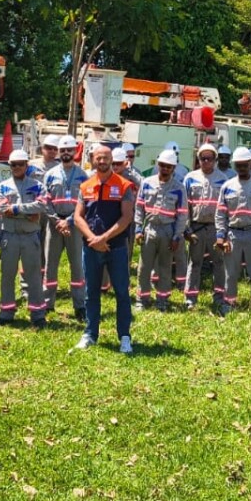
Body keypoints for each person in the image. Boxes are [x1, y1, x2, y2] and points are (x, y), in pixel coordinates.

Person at [73, 145, 137, 352]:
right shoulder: (85, 186)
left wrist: (104, 238)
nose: (102, 161)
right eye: (98, 158)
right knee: (91, 292)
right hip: (91, 248)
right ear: (92, 159)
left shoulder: (124, 186)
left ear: (112, 160)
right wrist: (93, 238)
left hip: (116, 248)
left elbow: (127, 217)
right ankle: (90, 334)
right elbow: (78, 217)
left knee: (121, 292)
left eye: (106, 158)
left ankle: (124, 336)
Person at [0, 150, 47, 328]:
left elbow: (42, 205)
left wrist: (16, 209)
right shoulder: (2, 187)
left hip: (30, 236)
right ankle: (6, 312)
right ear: (9, 166)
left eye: (20, 164)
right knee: (7, 275)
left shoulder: (38, 186)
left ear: (27, 165)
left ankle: (38, 314)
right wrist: (29, 213)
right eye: (13, 164)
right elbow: (1, 209)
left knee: (34, 276)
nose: (17, 167)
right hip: (9, 236)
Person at [216, 147, 251, 314]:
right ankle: (229, 303)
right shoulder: (227, 186)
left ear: (250, 163)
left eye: (244, 165)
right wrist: (220, 236)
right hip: (233, 234)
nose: (242, 168)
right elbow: (221, 213)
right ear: (235, 165)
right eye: (238, 165)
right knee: (231, 273)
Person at [42, 135, 90, 321]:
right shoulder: (50, 174)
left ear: (75, 151)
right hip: (54, 225)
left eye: (69, 150)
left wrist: (68, 221)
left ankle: (79, 306)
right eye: (63, 150)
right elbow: (45, 201)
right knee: (50, 266)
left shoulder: (83, 175)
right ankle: (48, 304)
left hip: (74, 225)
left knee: (77, 266)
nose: (66, 153)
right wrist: (57, 221)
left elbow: (85, 203)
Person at [134, 149, 187, 312]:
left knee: (165, 267)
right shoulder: (147, 183)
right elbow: (139, 207)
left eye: (168, 167)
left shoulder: (179, 188)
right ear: (158, 164)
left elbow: (182, 214)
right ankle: (142, 299)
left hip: (168, 231)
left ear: (174, 168)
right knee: (144, 267)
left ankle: (162, 300)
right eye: (162, 165)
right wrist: (138, 228)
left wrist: (177, 236)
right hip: (149, 229)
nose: (165, 169)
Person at [184, 143, 231, 310]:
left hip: (215, 229)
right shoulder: (190, 178)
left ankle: (219, 297)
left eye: (209, 159)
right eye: (203, 158)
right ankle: (190, 299)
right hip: (196, 228)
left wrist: (224, 232)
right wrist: (187, 229)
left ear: (215, 160)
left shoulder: (223, 180)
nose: (206, 161)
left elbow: (226, 208)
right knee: (194, 263)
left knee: (219, 263)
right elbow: (185, 206)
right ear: (198, 160)